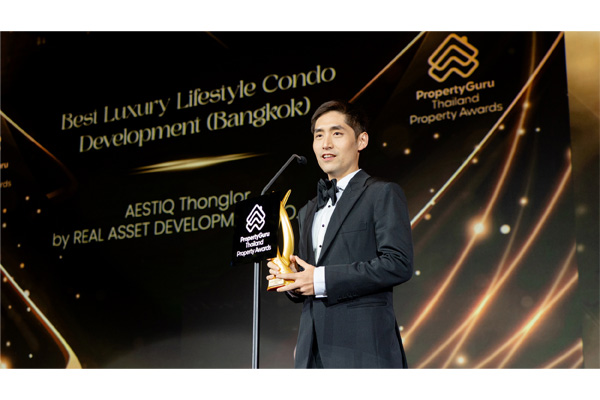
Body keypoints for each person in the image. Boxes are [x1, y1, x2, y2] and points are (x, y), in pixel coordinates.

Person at [267, 100, 414, 368]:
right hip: (312, 354)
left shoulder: (381, 193)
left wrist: (319, 279)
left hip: (364, 350)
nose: (326, 144)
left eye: (336, 133)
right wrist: (293, 279)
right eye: (318, 135)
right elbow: (309, 278)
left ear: (361, 141)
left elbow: (397, 264)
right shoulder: (308, 210)